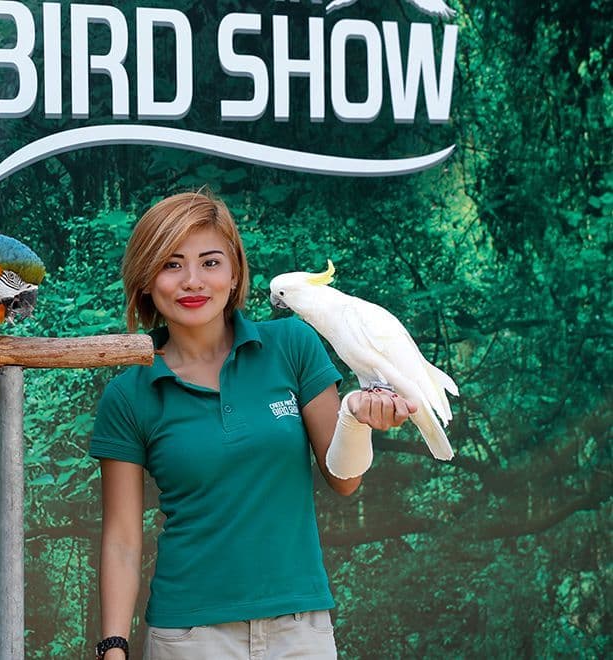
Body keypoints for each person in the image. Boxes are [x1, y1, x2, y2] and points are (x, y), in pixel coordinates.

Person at [90, 191, 415, 660]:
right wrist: (114, 646)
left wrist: (356, 420)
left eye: (210, 262)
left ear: (235, 272)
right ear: (146, 280)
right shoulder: (129, 394)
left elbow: (345, 480)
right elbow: (122, 537)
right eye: (172, 264)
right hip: (188, 636)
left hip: (300, 631)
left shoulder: (293, 345)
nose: (193, 281)